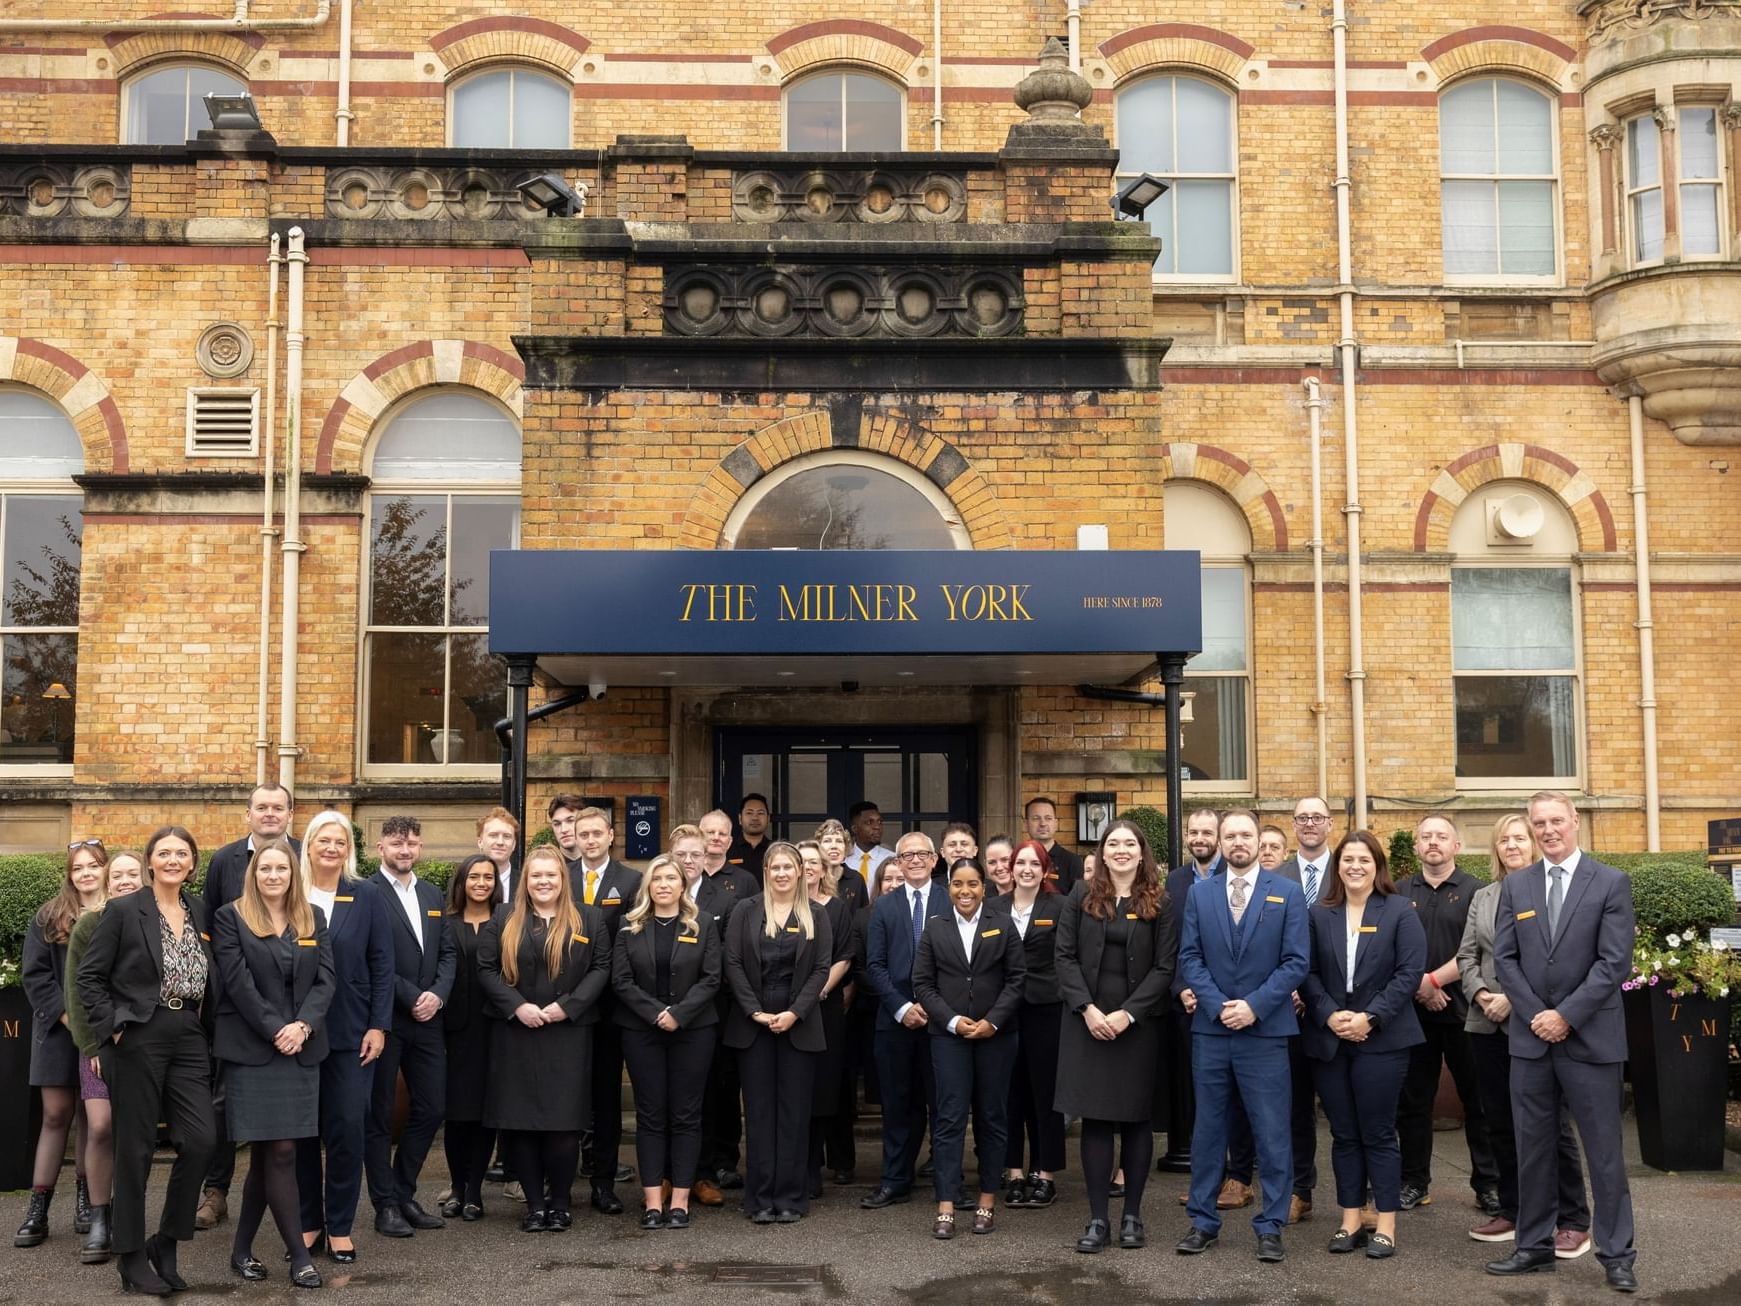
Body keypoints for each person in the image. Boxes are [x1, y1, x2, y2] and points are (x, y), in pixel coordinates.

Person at [1486, 793, 1638, 1292]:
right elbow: (1505, 959)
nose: (1548, 830)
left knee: (1604, 1153)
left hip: (1591, 1040)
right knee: (1533, 1148)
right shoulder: (1518, 885)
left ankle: (1617, 1255)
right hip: (1531, 1042)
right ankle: (1533, 1247)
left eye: (1556, 821)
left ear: (1575, 822)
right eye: (1539, 823)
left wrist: (1566, 1016)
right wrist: (1538, 1016)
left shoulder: (1610, 882)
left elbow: (1613, 963)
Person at [77, 826, 218, 1296]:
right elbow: (89, 977)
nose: (174, 860)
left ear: (192, 864)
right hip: (137, 1036)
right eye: (164, 853)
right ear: (150, 862)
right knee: (134, 1150)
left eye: (182, 853)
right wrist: (112, 1027)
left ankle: (168, 1241)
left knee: (201, 1140)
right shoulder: (123, 911)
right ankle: (131, 1255)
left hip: (190, 1035)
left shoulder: (201, 912)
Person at [1176, 809, 1309, 1264]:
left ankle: (1270, 1226)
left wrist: (1253, 1006)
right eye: (1229, 835)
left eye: (1245, 835)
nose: (1237, 842)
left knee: (1272, 1131)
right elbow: (1189, 958)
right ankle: (1203, 1221)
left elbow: (1296, 962)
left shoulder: (1287, 893)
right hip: (1212, 1032)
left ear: (1260, 840)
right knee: (1208, 1130)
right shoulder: (1200, 894)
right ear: (1220, 841)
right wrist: (1218, 1007)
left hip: (1266, 1031)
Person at [1457, 815, 1591, 1255]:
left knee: (1548, 1124)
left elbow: (1549, 962)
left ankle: (1572, 1217)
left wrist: (1511, 1000)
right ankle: (1514, 1210)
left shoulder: (1549, 891)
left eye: (1520, 838)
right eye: (1504, 840)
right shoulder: (1485, 896)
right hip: (1485, 1024)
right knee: (1498, 1122)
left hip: (1533, 1024)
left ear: (1533, 843)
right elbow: (1466, 956)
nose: (1512, 846)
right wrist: (1481, 995)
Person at [212, 839, 335, 1288]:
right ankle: (300, 1256)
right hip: (254, 1050)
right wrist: (276, 1029)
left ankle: (242, 1250)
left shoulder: (311, 918)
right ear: (254, 873)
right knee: (277, 1151)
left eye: (281, 868)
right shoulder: (231, 917)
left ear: (292, 873)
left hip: (300, 1048)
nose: (273, 875)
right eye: (265, 868)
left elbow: (326, 980)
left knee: (273, 1154)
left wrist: (302, 1026)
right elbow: (238, 984)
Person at [1301, 830, 1426, 1260]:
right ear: (1337, 867)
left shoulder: (1398, 911)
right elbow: (1307, 971)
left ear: (1378, 866)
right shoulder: (1320, 913)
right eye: (1348, 860)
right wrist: (1329, 1013)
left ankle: (1385, 1223)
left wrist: (1370, 1016)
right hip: (1331, 1038)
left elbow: (1409, 973)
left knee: (1377, 1132)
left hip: (1383, 1039)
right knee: (1343, 1134)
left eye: (1364, 860)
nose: (1355, 867)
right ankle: (1350, 1218)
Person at [1055, 821, 1177, 1253]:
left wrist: (1128, 1014)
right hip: (1086, 1023)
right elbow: (1063, 957)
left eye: (1130, 844)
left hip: (1136, 1026)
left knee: (1136, 1120)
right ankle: (1097, 1219)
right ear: (1102, 854)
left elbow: (1166, 968)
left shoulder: (1162, 901)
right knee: (1097, 1120)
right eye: (1113, 844)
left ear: (1142, 852)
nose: (1121, 850)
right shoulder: (1079, 896)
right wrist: (1088, 1010)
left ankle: (1132, 1216)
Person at [478, 845, 611, 1233]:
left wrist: (567, 1006)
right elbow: (486, 969)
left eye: (551, 875)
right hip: (515, 1032)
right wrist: (517, 1006)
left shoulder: (589, 918)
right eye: (536, 875)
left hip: (567, 1034)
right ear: (526, 880)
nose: (543, 881)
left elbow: (601, 968)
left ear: (563, 879)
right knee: (520, 1124)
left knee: (563, 1125)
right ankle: (535, 1205)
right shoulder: (504, 917)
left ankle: (560, 1202)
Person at [199, 782, 299, 1232]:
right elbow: (214, 932)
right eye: (262, 807)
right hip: (236, 1009)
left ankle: (291, 1205)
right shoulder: (224, 860)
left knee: (285, 1126)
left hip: (293, 1012)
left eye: (278, 807)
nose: (270, 814)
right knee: (224, 1106)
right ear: (248, 814)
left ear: (290, 814)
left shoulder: (303, 855)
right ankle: (215, 1191)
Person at [294, 809, 392, 1265]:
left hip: (354, 1033)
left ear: (348, 849)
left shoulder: (367, 894)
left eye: (340, 842)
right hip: (297, 1035)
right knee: (301, 1134)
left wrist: (378, 1024)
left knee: (348, 1130)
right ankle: (307, 1221)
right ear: (308, 845)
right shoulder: (288, 892)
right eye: (323, 840)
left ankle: (340, 1227)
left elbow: (382, 964)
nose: (331, 849)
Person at [913, 859, 1025, 1239]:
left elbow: (1017, 979)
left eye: (973, 884)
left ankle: (987, 1200)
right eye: (958, 884)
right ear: (948, 887)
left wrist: (992, 1021)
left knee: (993, 1118)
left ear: (984, 887)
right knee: (949, 1119)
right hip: (949, 1038)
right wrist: (952, 1020)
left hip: (996, 1037)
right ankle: (945, 1204)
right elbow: (923, 984)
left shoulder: (1003, 924)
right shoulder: (934, 929)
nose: (965, 891)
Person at [723, 842, 832, 1222]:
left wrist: (794, 1012)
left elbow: (821, 969)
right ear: (766, 872)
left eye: (789, 867)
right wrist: (753, 1010)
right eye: (775, 867)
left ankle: (790, 1198)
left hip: (798, 1024)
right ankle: (760, 1199)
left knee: (794, 1113)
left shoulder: (816, 914)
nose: (782, 873)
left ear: (801, 871)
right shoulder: (745, 910)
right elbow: (732, 962)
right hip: (752, 1023)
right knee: (759, 1113)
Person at [1395, 813, 1498, 1214]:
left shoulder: (1478, 892)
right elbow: (1392, 950)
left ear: (1456, 845)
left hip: (1465, 1013)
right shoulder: (1399, 892)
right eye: (1426, 836)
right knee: (1413, 1103)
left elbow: (1477, 950)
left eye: (1442, 836)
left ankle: (1488, 1184)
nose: (1433, 842)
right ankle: (1414, 1182)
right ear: (1416, 845)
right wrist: (1419, 988)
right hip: (1413, 1015)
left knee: (1479, 1102)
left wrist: (1432, 983)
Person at [612, 853, 721, 1229]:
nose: (663, 885)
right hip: (642, 1032)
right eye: (656, 879)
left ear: (682, 884)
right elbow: (621, 981)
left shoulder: (703, 924)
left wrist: (679, 1013)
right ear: (648, 886)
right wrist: (657, 1012)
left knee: (686, 1115)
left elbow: (711, 978)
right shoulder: (628, 927)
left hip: (694, 1032)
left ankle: (680, 1201)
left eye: (670, 878)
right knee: (651, 1116)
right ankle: (653, 1202)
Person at [364, 815, 455, 1239]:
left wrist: (437, 993)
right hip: (386, 1020)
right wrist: (409, 996)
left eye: (413, 843)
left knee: (433, 1107)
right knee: (380, 1115)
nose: (406, 851)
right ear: (380, 847)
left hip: (429, 1020)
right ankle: (385, 1205)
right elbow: (368, 959)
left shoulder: (433, 893)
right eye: (397, 843)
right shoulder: (365, 893)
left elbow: (447, 953)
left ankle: (403, 1192)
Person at [16, 838, 106, 1251]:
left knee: (94, 1119)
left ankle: (88, 1201)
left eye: (93, 865)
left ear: (105, 868)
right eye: (78, 868)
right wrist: (68, 1018)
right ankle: (38, 1207)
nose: (86, 873)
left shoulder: (118, 914)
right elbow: (34, 975)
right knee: (55, 1115)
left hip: (101, 1035)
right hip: (56, 1030)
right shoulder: (49, 916)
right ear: (69, 875)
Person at [62, 849, 146, 1265]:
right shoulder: (89, 924)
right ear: (108, 881)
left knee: (136, 1131)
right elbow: (76, 995)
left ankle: (130, 1219)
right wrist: (93, 1046)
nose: (126, 880)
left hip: (146, 1045)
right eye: (119, 875)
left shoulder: (157, 923)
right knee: (100, 1126)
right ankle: (99, 1215)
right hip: (98, 1046)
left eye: (134, 874)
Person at [559, 802, 642, 1215]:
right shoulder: (562, 877)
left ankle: (603, 1182)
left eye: (597, 833)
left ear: (611, 836)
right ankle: (559, 1182)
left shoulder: (631, 880)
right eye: (583, 834)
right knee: (567, 1097)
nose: (590, 840)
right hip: (566, 1008)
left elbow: (632, 944)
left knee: (606, 1100)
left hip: (612, 1008)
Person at [861, 831, 949, 1210]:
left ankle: (950, 1184)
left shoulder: (951, 899)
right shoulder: (884, 906)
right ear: (896, 863)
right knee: (897, 1106)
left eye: (922, 854)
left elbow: (962, 963)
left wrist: (934, 1007)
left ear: (934, 860)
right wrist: (901, 1007)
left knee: (944, 1106)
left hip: (942, 1022)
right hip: (894, 1021)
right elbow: (874, 965)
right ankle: (895, 1180)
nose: (914, 860)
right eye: (906, 855)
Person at [1259, 796, 1336, 1225]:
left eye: (1317, 817)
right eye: (1302, 817)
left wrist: (1315, 994)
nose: (1309, 824)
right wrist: (1285, 989)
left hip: (1330, 1005)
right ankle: (1299, 1189)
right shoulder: (1277, 876)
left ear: (1329, 823)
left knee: (1344, 1107)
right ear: (1293, 825)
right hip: (1285, 1008)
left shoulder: (1348, 870)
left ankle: (1356, 1196)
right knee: (1294, 1107)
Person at [693, 810, 757, 1203]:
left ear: (730, 840)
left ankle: (725, 1161)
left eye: (722, 833)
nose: (715, 839)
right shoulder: (681, 878)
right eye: (709, 833)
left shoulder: (744, 881)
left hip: (727, 1002)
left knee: (725, 1084)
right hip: (692, 1001)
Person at [1000, 840, 1064, 1210]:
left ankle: (1045, 1173)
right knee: (1009, 1095)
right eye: (1020, 862)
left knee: (1046, 1095)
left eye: (1034, 863)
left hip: (1046, 1010)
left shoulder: (1059, 906)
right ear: (1011, 868)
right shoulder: (994, 907)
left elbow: (1067, 956)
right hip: (1005, 1012)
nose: (1027, 869)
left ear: (1044, 869)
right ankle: (1014, 1173)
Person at [1161, 808, 1224, 1177]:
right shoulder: (1176, 880)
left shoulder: (1231, 875)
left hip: (1225, 1000)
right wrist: (1181, 987)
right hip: (1186, 1000)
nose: (1199, 838)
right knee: (1192, 1082)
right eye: (1193, 831)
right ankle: (1199, 1158)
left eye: (1206, 832)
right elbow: (1171, 942)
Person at [441, 855, 502, 1222]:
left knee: (484, 1115)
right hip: (454, 1033)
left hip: (495, 1029)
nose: (481, 883)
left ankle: (476, 1191)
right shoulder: (445, 924)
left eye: (488, 877)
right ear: (461, 881)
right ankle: (457, 1187)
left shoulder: (506, 920)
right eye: (474, 876)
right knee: (457, 1115)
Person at [801, 839, 858, 1198]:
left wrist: (820, 990)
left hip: (825, 1005)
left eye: (813, 862)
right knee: (801, 1087)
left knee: (830, 1085)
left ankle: (838, 1161)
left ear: (824, 869)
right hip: (792, 1009)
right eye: (801, 861)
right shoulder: (781, 907)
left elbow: (845, 955)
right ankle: (806, 1164)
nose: (808, 867)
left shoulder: (836, 908)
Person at [1024, 797, 1083, 888]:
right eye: (1036, 818)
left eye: (1048, 818)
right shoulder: (1018, 860)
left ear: (1056, 824)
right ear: (1026, 824)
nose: (1043, 823)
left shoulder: (1072, 862)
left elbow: (1078, 900)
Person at [846, 800, 896, 892]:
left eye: (880, 822)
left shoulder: (892, 859)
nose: (877, 827)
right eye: (869, 822)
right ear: (854, 829)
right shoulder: (844, 860)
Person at [476, 807, 519, 905]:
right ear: (480, 842)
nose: (500, 842)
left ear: (514, 845)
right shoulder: (461, 883)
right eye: (493, 835)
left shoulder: (525, 884)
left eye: (507, 836)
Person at [726, 793, 772, 882]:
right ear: (740, 819)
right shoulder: (727, 848)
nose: (755, 818)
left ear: (768, 818)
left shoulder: (775, 850)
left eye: (760, 813)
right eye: (749, 813)